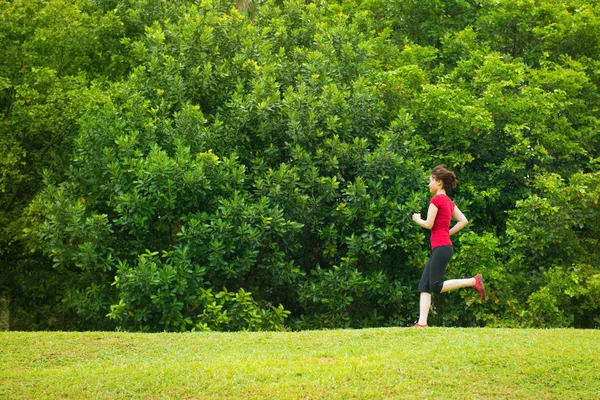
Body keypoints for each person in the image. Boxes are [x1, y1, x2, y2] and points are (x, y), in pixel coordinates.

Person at [411, 165, 486, 328]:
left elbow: (429, 224)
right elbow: (463, 220)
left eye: (430, 181)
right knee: (425, 284)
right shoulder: (449, 202)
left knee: (436, 286)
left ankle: (473, 281)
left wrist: (417, 219)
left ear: (439, 183)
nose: (429, 185)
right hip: (444, 246)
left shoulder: (436, 200)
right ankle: (422, 323)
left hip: (441, 247)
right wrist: (447, 233)